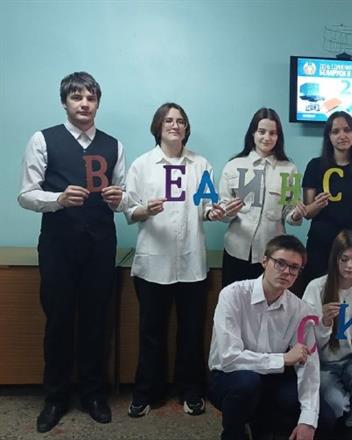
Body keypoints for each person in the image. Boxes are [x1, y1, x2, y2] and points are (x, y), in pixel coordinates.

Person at [18, 72, 126, 432]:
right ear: (64, 102)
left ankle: (94, 394)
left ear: (98, 103)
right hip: (58, 245)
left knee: (96, 321)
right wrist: (59, 199)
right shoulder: (43, 139)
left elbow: (124, 197)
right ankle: (55, 398)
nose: (84, 103)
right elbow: (26, 194)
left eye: (91, 98)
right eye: (77, 97)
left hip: (100, 245)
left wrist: (120, 197)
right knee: (59, 321)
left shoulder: (113, 145)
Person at [124, 103, 222, 418]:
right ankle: (146, 392)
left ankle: (191, 391)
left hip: (192, 264)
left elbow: (207, 206)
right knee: (151, 333)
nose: (175, 125)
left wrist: (216, 212)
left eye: (180, 121)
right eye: (168, 120)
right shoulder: (142, 165)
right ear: (158, 126)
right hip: (153, 263)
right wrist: (146, 210)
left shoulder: (201, 165)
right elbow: (129, 210)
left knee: (191, 333)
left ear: (186, 128)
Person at [207, 235, 333, 440]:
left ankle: (263, 425)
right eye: (280, 263)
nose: (286, 272)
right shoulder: (233, 295)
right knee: (247, 383)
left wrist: (307, 420)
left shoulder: (300, 309)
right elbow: (229, 358)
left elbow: (309, 366)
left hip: (273, 377)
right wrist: (282, 359)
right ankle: (235, 433)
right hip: (230, 377)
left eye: (294, 268)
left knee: (324, 419)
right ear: (264, 261)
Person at [302, 230, 352, 440]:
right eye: (344, 259)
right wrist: (324, 322)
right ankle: (346, 407)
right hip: (324, 366)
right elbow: (304, 339)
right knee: (337, 406)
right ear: (335, 259)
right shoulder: (316, 287)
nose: (350, 266)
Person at [218, 107, 305, 288]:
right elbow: (222, 211)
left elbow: (289, 212)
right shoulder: (233, 166)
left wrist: (296, 215)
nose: (267, 137)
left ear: (278, 137)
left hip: (272, 256)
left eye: (273, 133)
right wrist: (228, 211)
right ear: (253, 133)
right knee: (234, 301)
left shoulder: (290, 169)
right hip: (236, 250)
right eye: (262, 131)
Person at [299, 111, 352, 292]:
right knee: (317, 294)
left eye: (347, 130)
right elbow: (307, 213)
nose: (342, 136)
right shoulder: (314, 166)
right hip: (321, 243)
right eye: (335, 131)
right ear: (328, 136)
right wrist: (316, 205)